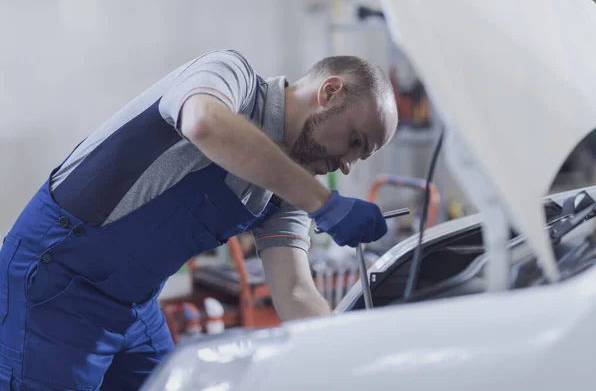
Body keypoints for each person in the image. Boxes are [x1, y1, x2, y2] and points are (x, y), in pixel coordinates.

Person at [0, 49, 398, 390]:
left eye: (360, 157)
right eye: (355, 141)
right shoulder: (232, 76)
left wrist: (352, 360)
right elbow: (203, 122)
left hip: (133, 304)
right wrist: (323, 203)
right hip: (54, 284)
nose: (347, 165)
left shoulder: (289, 185)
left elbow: (295, 292)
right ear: (330, 93)